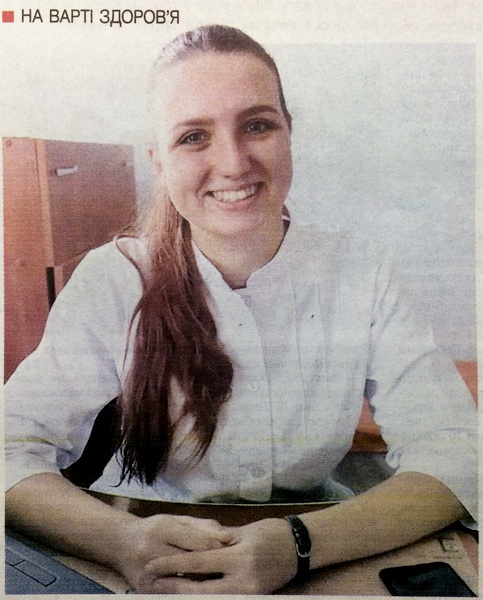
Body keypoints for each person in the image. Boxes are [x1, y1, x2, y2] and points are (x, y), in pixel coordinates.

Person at [5, 24, 477, 594]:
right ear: (159, 162)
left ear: (289, 133)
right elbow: (9, 446)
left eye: (257, 125)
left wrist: (299, 544)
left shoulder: (363, 271)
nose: (232, 163)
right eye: (193, 137)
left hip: (322, 544)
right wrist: (122, 542)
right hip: (144, 548)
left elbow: (458, 453)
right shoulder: (114, 279)